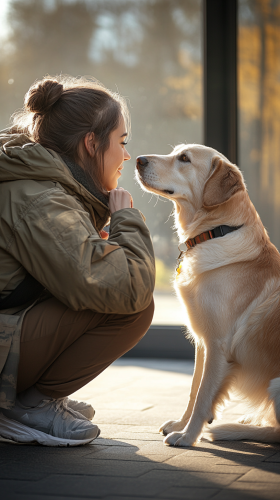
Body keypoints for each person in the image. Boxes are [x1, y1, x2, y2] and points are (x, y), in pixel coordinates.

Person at [0, 75, 155, 446]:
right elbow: (128, 286)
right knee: (133, 308)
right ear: (90, 143)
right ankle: (29, 406)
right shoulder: (40, 198)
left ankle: (37, 395)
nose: (127, 156)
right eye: (122, 142)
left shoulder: (40, 183)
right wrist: (126, 220)